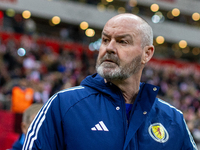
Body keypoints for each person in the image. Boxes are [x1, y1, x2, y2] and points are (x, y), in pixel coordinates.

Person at [23, 13, 197, 150]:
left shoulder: (173, 120)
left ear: (147, 53)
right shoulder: (63, 105)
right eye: (105, 40)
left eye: (122, 42)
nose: (109, 48)